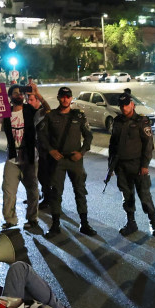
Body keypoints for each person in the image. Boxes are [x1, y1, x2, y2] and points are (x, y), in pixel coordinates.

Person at [43, 86, 96, 237]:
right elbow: (42, 136)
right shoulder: (51, 116)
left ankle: (84, 224)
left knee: (80, 191)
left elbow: (88, 136)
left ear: (71, 98)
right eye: (63, 96)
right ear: (58, 98)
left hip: (75, 160)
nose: (65, 99)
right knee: (56, 193)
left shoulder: (79, 116)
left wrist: (82, 152)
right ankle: (55, 225)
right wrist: (51, 150)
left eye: (68, 96)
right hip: (58, 161)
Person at [1, 80, 49, 234]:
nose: (19, 95)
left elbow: (47, 111)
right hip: (12, 157)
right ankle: (10, 220)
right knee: (8, 190)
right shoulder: (5, 112)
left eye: (21, 93)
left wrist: (38, 94)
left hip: (29, 156)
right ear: (10, 96)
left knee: (32, 190)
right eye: (15, 93)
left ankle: (32, 219)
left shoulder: (30, 110)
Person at [108, 93, 155, 237]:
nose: (124, 108)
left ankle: (154, 224)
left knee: (144, 196)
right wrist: (111, 166)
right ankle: (131, 223)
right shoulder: (117, 121)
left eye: (126, 105)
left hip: (137, 165)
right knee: (127, 196)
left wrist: (144, 165)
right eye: (122, 105)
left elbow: (148, 145)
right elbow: (113, 144)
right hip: (121, 167)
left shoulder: (142, 121)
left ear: (132, 105)